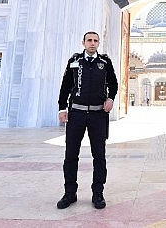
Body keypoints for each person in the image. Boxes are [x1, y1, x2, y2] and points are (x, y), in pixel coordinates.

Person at [56, 31, 118, 210]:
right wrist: (62, 108)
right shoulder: (74, 61)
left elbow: (113, 84)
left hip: (98, 116)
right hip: (76, 114)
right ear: (83, 42)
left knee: (99, 156)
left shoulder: (104, 62)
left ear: (99, 43)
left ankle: (98, 193)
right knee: (70, 155)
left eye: (95, 41)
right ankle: (70, 193)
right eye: (89, 40)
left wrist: (111, 98)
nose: (92, 43)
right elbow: (65, 86)